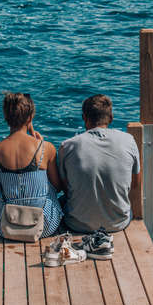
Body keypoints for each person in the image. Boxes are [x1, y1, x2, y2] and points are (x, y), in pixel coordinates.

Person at [58, 94, 141, 259]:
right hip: (118, 223)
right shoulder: (129, 140)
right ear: (111, 117)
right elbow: (136, 184)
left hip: (77, 224)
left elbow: (65, 187)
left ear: (84, 117)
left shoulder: (67, 146)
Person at [0, 92, 63, 238]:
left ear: (6, 117)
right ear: (30, 117)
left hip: (4, 226)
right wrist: (37, 140)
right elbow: (58, 186)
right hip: (44, 226)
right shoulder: (46, 148)